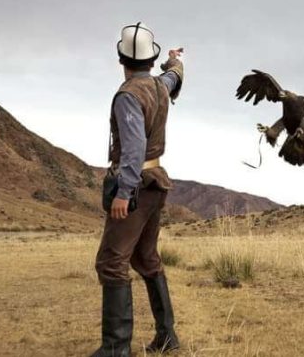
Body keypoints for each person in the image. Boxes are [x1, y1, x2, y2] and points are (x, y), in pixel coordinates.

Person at [91, 22, 184, 356]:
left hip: (138, 187)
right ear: (151, 60)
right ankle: (167, 336)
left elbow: (133, 148)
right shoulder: (161, 84)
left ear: (121, 60)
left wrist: (123, 192)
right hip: (156, 182)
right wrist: (174, 60)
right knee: (146, 257)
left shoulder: (129, 96)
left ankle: (116, 349)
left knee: (111, 262)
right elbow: (175, 75)